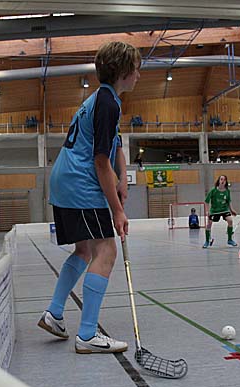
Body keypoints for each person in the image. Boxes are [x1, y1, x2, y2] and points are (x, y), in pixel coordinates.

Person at [38, 41, 141, 354]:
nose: (139, 75)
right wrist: (117, 210)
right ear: (123, 72)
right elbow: (100, 161)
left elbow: (114, 146)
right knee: (106, 250)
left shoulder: (102, 99)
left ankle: (55, 313)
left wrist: (122, 177)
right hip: (81, 182)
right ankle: (87, 335)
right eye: (136, 69)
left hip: (63, 179)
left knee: (84, 250)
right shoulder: (108, 104)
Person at [203, 175, 238, 248]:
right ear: (218, 181)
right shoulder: (213, 190)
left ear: (226, 182)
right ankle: (207, 241)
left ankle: (230, 240)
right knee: (209, 224)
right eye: (221, 179)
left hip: (224, 210)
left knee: (230, 220)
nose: (223, 181)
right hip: (214, 211)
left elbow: (229, 201)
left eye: (224, 180)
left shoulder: (227, 191)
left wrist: (232, 210)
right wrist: (207, 211)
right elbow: (206, 201)